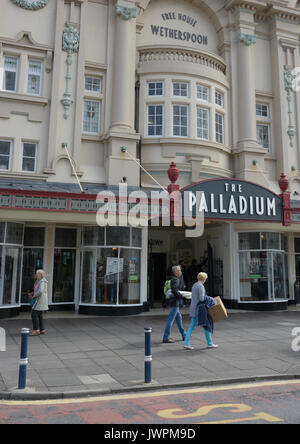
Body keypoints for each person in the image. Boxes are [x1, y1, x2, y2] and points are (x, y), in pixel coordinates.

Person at [183, 272, 218, 350]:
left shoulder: (195, 285)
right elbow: (202, 298)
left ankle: (187, 343)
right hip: (199, 309)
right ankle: (209, 343)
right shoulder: (201, 286)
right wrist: (210, 298)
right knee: (206, 324)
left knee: (194, 326)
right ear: (204, 279)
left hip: (193, 308)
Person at [162, 265, 186, 343]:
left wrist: (164, 303)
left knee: (179, 318)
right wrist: (181, 295)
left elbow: (165, 291)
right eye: (179, 270)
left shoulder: (169, 279)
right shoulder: (175, 280)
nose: (180, 272)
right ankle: (166, 337)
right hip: (175, 301)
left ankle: (184, 334)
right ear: (176, 272)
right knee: (170, 319)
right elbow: (175, 290)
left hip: (171, 301)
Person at [29, 269, 49, 336]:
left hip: (40, 300)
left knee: (34, 314)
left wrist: (33, 296)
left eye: (37, 274)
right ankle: (42, 329)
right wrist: (32, 293)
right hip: (38, 300)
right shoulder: (38, 281)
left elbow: (40, 291)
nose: (36, 275)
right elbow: (36, 289)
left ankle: (36, 330)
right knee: (39, 314)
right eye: (36, 273)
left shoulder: (42, 281)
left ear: (41, 275)